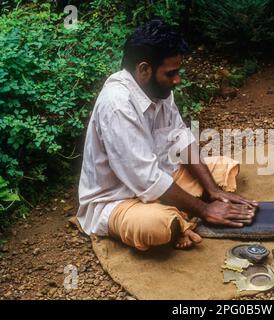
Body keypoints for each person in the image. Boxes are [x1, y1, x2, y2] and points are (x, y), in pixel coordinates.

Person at [76, 20, 258, 251]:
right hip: (120, 199)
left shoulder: (159, 89)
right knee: (157, 226)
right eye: (171, 73)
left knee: (224, 167)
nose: (177, 80)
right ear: (144, 70)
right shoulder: (117, 105)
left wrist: (214, 191)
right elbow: (146, 179)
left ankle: (184, 212)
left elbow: (181, 138)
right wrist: (205, 209)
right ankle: (180, 217)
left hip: (163, 177)